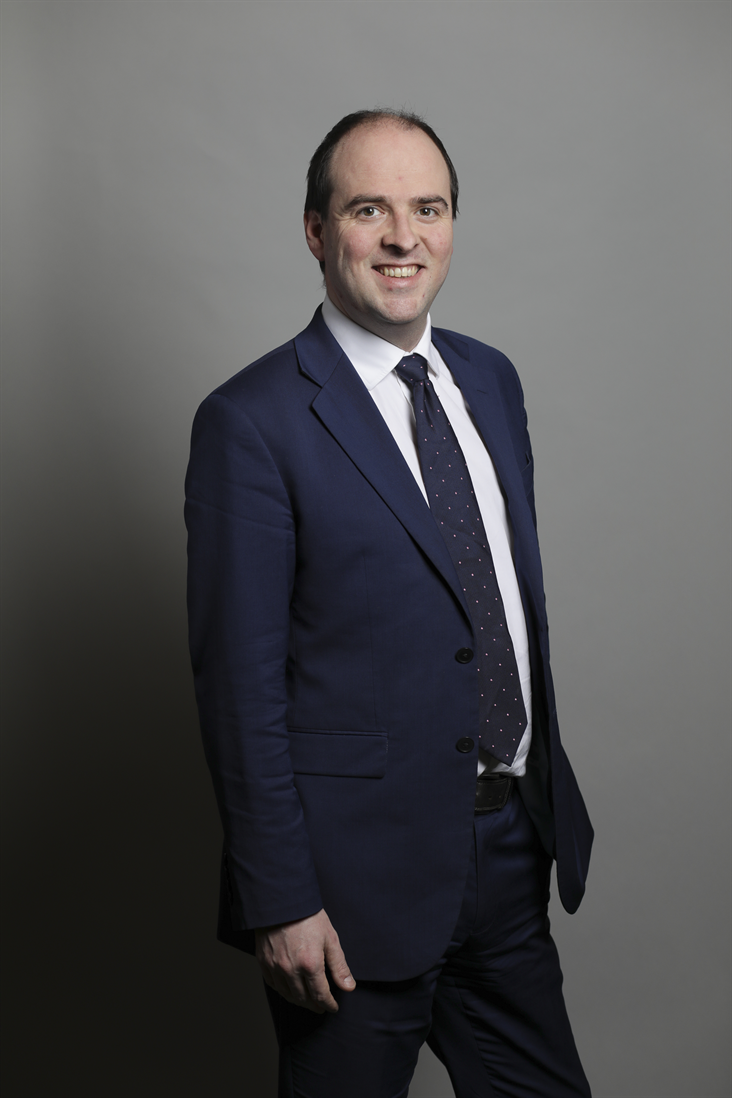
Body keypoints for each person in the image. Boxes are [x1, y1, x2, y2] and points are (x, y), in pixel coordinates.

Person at [185, 109, 593, 1098]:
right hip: (348, 892)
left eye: (429, 209)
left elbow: (492, 603)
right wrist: (280, 898)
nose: (404, 237)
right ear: (317, 230)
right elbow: (239, 687)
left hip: (507, 853)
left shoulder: (490, 381)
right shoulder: (251, 422)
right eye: (369, 209)